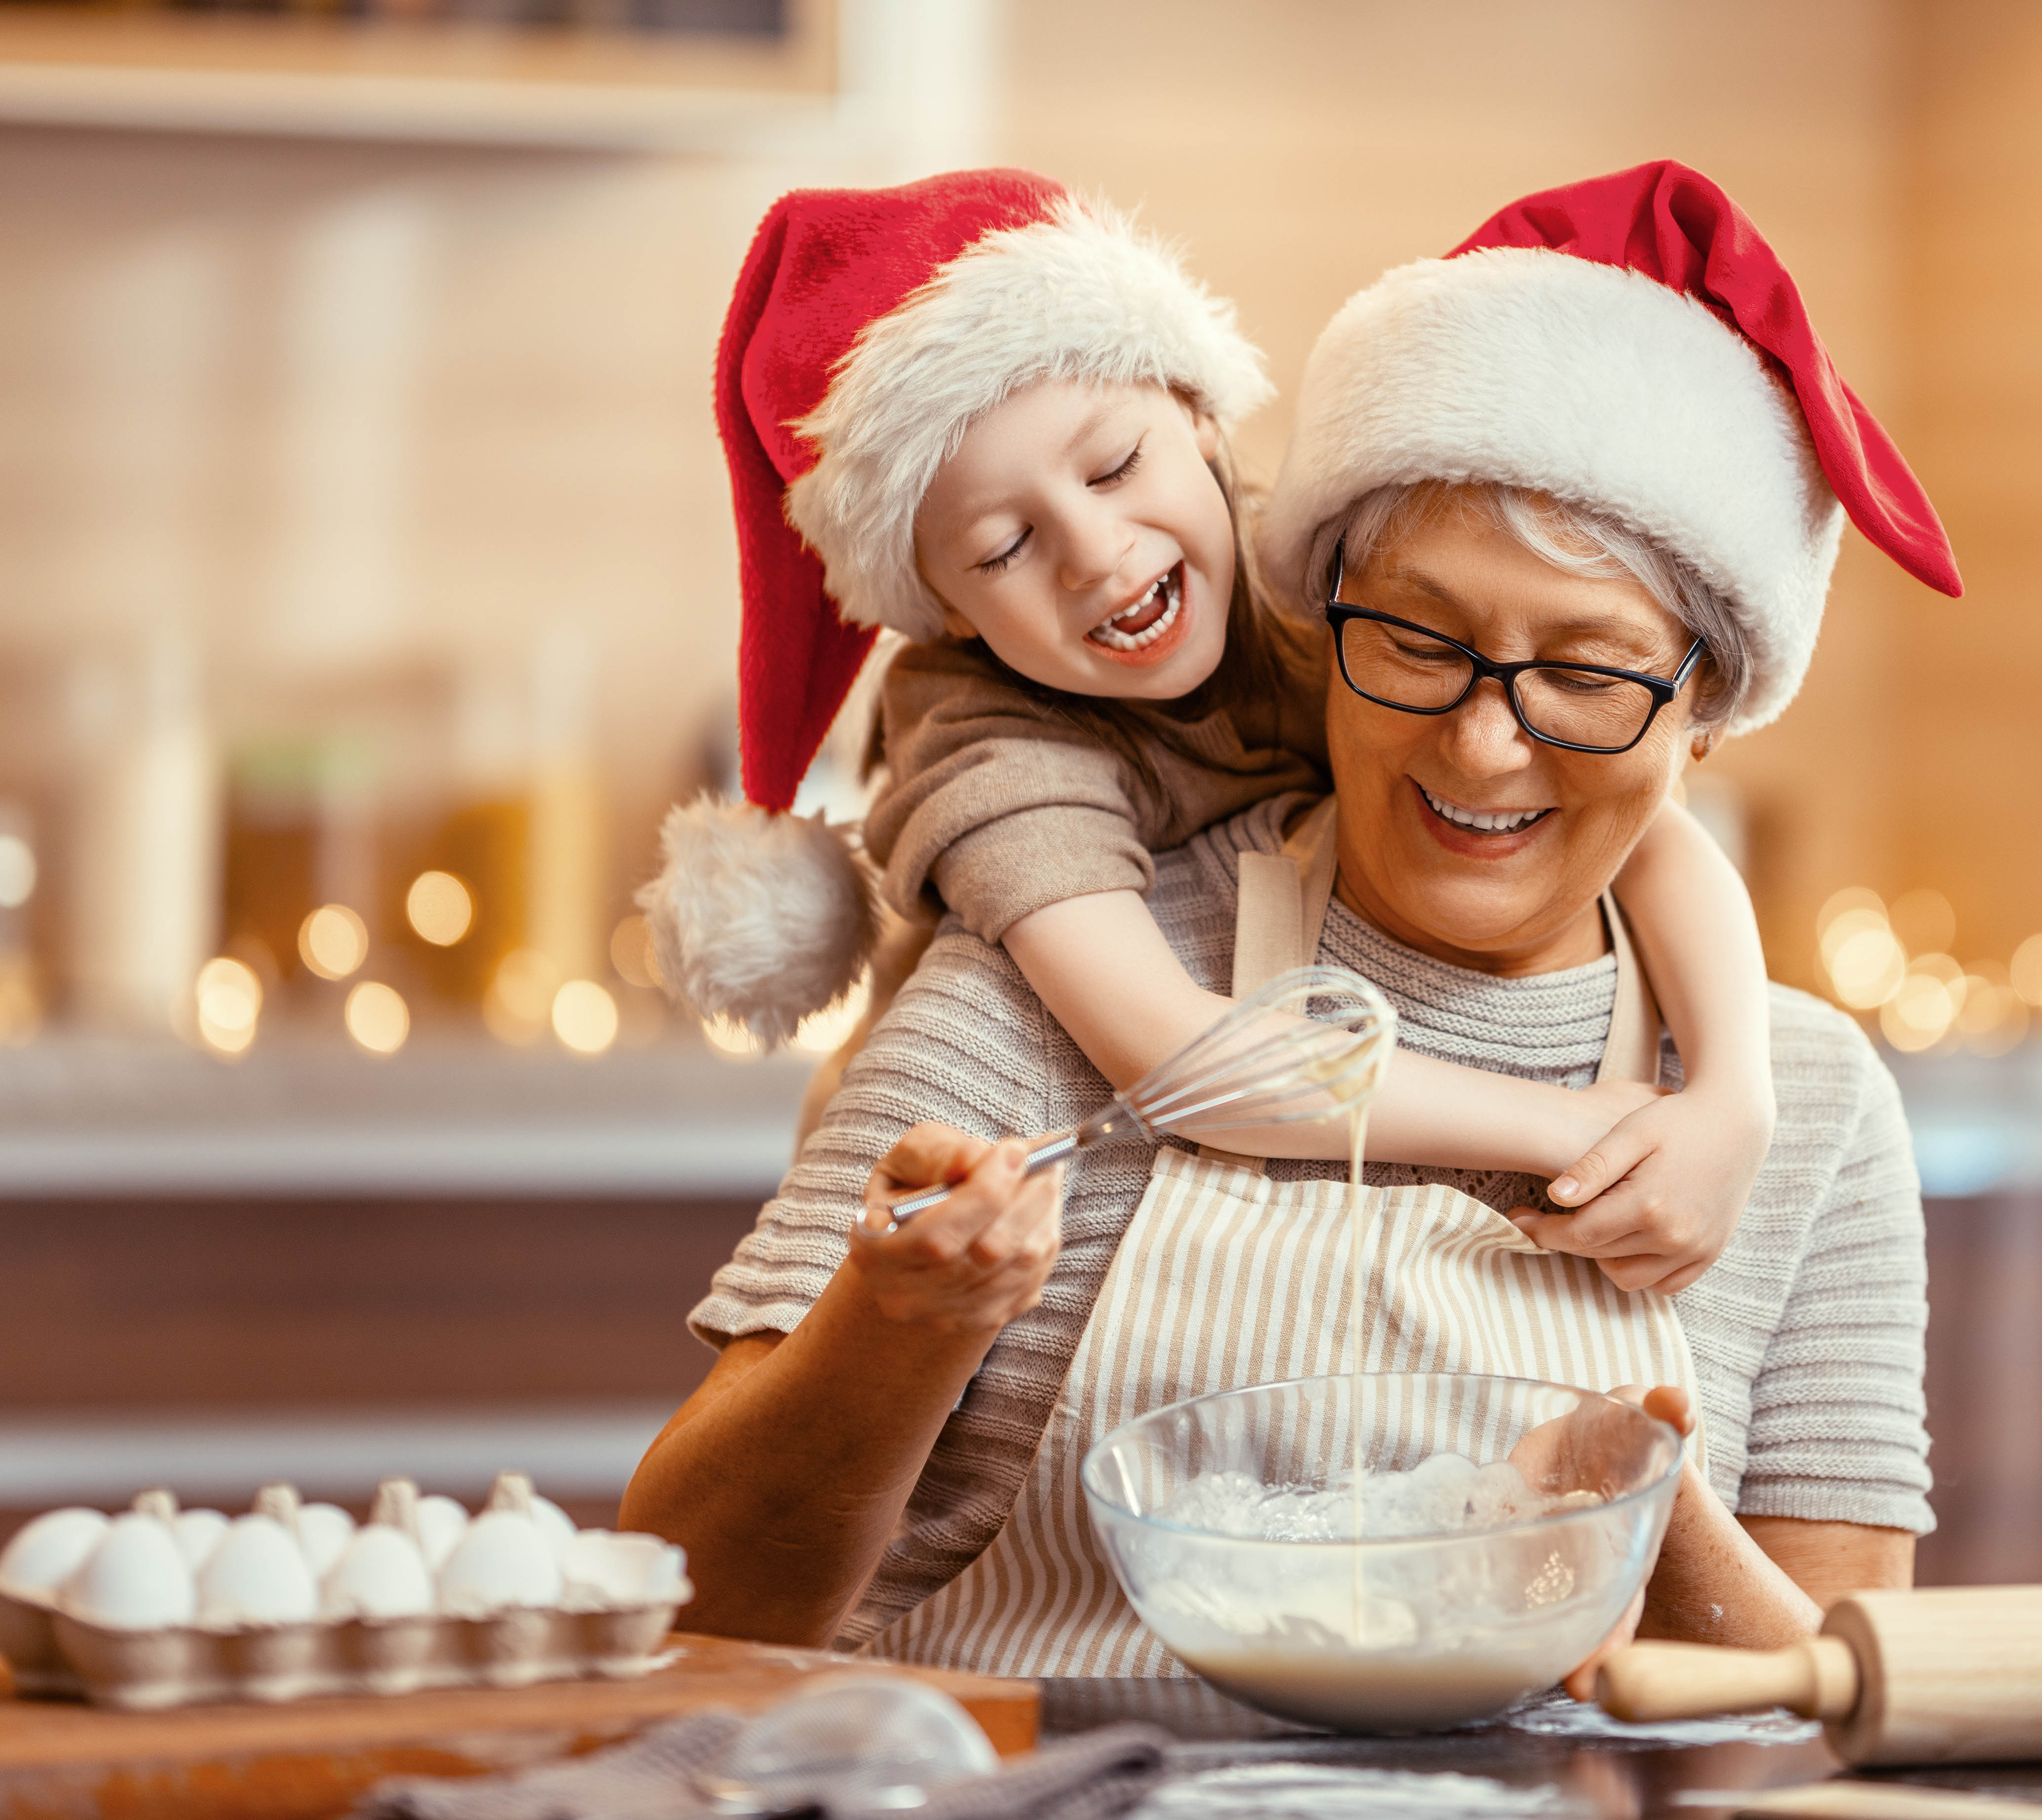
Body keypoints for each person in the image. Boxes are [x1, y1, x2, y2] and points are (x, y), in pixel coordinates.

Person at [621, 161, 1958, 1680]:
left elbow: (1850, 1700)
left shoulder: (1813, 1111)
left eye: (1585, 674)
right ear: (1321, 626)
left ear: (1699, 718)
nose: (1480, 748)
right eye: (1415, 642)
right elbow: (692, 1610)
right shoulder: (1032, 984)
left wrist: (1635, 1525)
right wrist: (895, 1324)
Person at [639, 168, 1779, 1293]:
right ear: (940, 608)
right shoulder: (988, 742)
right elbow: (1177, 1058)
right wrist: (1573, 1126)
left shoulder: (1322, 581)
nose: (1095, 552)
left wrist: (1733, 1098)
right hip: (970, 1223)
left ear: (1198, 417)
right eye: (1001, 548)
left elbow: (1652, 830)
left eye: (1116, 464)